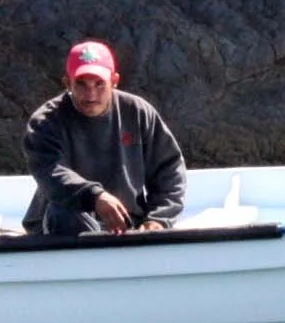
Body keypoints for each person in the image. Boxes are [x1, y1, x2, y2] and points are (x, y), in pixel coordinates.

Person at [22, 40, 186, 236]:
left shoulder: (138, 112)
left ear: (114, 80)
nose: (91, 94)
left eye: (99, 84)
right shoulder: (45, 121)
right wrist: (95, 197)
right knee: (63, 212)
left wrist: (158, 219)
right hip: (62, 223)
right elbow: (50, 172)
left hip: (127, 225)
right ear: (67, 83)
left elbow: (169, 169)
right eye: (81, 84)